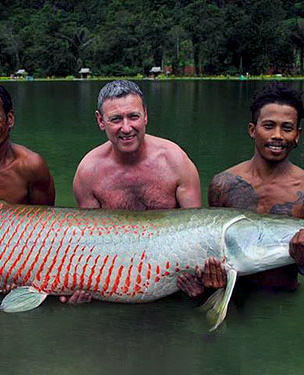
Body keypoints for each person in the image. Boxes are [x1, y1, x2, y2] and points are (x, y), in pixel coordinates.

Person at [67, 80, 226, 304]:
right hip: (118, 275)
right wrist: (82, 284)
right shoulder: (88, 173)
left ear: (145, 116)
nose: (126, 128)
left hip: (173, 278)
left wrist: (202, 280)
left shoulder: (175, 160)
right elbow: (92, 244)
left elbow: (196, 230)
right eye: (115, 119)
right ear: (100, 121)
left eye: (133, 116)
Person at [208, 82, 304, 291]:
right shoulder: (223, 184)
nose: (278, 136)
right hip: (234, 295)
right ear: (252, 130)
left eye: (287, 128)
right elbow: (212, 248)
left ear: (297, 135)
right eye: (269, 126)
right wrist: (210, 277)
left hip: (282, 296)